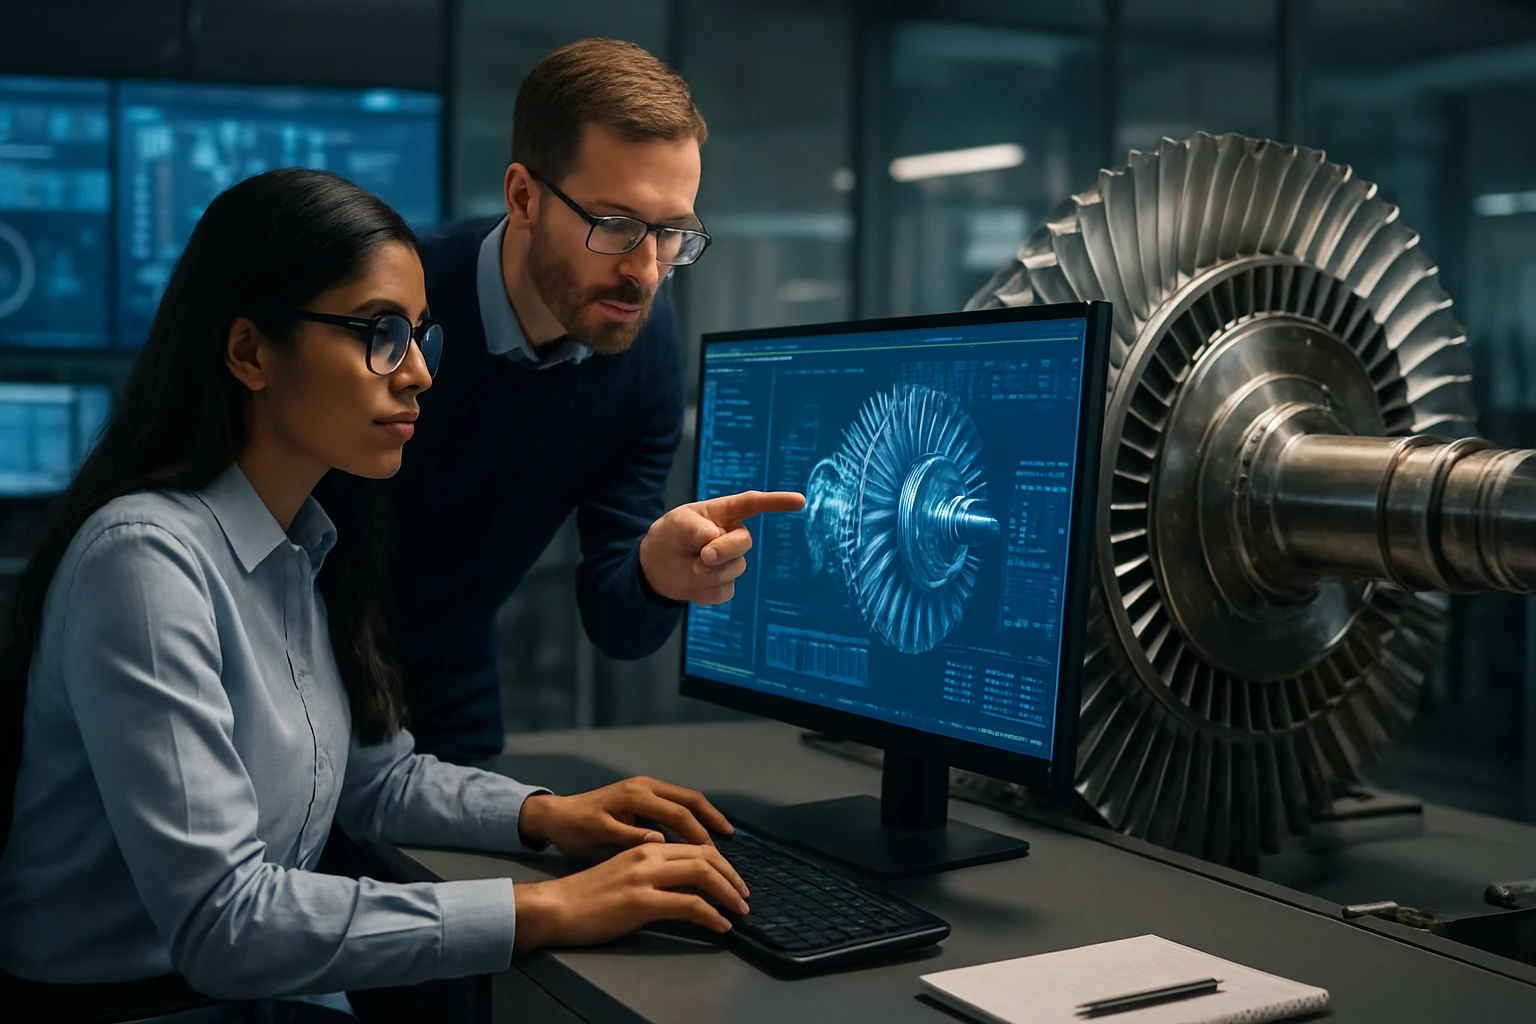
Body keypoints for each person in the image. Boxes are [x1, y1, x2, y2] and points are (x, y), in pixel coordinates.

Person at [0, 168, 750, 1022]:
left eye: (420, 336)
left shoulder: (299, 542)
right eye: (379, 333)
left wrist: (551, 816)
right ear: (249, 351)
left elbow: (373, 782)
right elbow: (224, 923)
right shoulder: (144, 562)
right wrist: (549, 907)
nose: (420, 374)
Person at [373, 38, 804, 764]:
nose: (645, 273)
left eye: (672, 236)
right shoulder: (399, 299)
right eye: (615, 227)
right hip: (293, 665)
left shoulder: (646, 347)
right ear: (523, 198)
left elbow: (617, 624)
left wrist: (654, 576)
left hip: (451, 684)